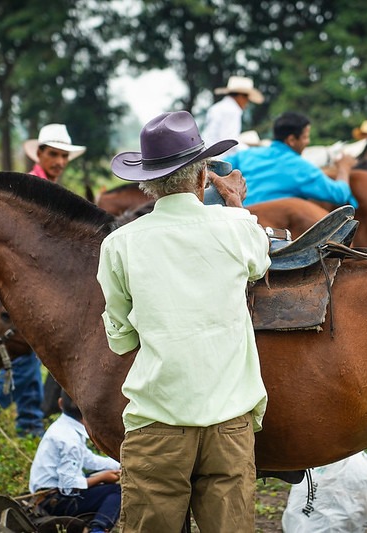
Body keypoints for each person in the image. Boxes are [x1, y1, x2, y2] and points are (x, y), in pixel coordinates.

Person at [97, 110, 270, 531]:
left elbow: (121, 338)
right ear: (202, 177)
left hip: (158, 422)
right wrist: (236, 205)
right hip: (229, 421)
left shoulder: (119, 245)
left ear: (149, 184)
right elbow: (258, 265)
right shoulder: (238, 228)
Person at [0, 124, 86, 441]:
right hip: (22, 284)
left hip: (39, 285)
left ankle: (25, 423)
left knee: (26, 356)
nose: (60, 161)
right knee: (23, 355)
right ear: (39, 154)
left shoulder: (50, 188)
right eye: (53, 154)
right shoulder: (31, 189)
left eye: (64, 156)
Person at [224, 111, 358, 208]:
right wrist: (344, 168)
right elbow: (339, 195)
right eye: (305, 137)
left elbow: (218, 167)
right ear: (292, 140)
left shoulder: (245, 155)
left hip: (238, 222)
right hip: (270, 234)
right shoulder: (302, 168)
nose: (308, 141)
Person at [29, 392, 121, 533]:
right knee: (118, 492)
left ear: (60, 403)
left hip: (48, 494)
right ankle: (98, 529)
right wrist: (102, 477)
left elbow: (88, 459)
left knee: (99, 479)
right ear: (89, 409)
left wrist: (121, 464)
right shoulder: (70, 440)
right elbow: (68, 485)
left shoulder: (63, 427)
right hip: (54, 500)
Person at [200, 75, 264, 155]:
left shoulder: (217, 107)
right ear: (240, 96)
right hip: (218, 158)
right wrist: (249, 152)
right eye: (247, 98)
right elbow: (229, 142)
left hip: (205, 154)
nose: (247, 102)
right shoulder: (232, 111)